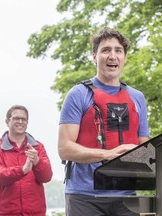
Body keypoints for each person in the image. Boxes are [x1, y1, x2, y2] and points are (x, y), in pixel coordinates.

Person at [58, 27, 150, 216]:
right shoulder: (78, 94)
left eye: (118, 51)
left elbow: (144, 146)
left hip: (127, 196)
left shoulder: (137, 98)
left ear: (124, 57)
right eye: (105, 50)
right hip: (84, 197)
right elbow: (64, 148)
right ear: (94, 56)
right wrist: (107, 154)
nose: (112, 56)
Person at [0, 105, 53, 216]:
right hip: (5, 212)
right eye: (16, 118)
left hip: (35, 212)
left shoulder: (38, 147)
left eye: (24, 119)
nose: (20, 121)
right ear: (7, 121)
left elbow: (47, 177)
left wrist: (37, 162)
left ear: (27, 122)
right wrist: (22, 170)